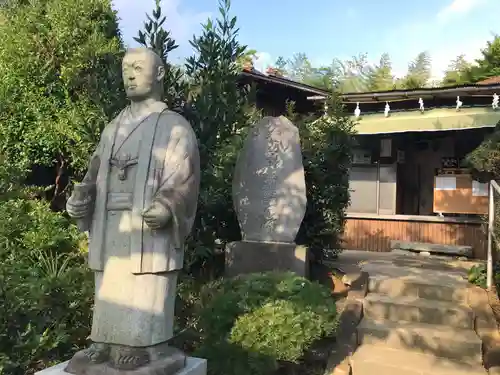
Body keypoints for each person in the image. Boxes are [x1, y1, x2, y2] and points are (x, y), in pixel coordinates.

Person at [65, 47, 200, 374]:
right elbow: (93, 175)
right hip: (110, 223)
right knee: (112, 280)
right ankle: (106, 340)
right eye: (126, 68)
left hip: (148, 226)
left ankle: (142, 344)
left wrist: (168, 205)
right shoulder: (113, 128)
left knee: (144, 283)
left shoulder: (174, 127)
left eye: (138, 67)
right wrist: (80, 200)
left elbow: (185, 176)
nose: (129, 74)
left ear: (160, 74)